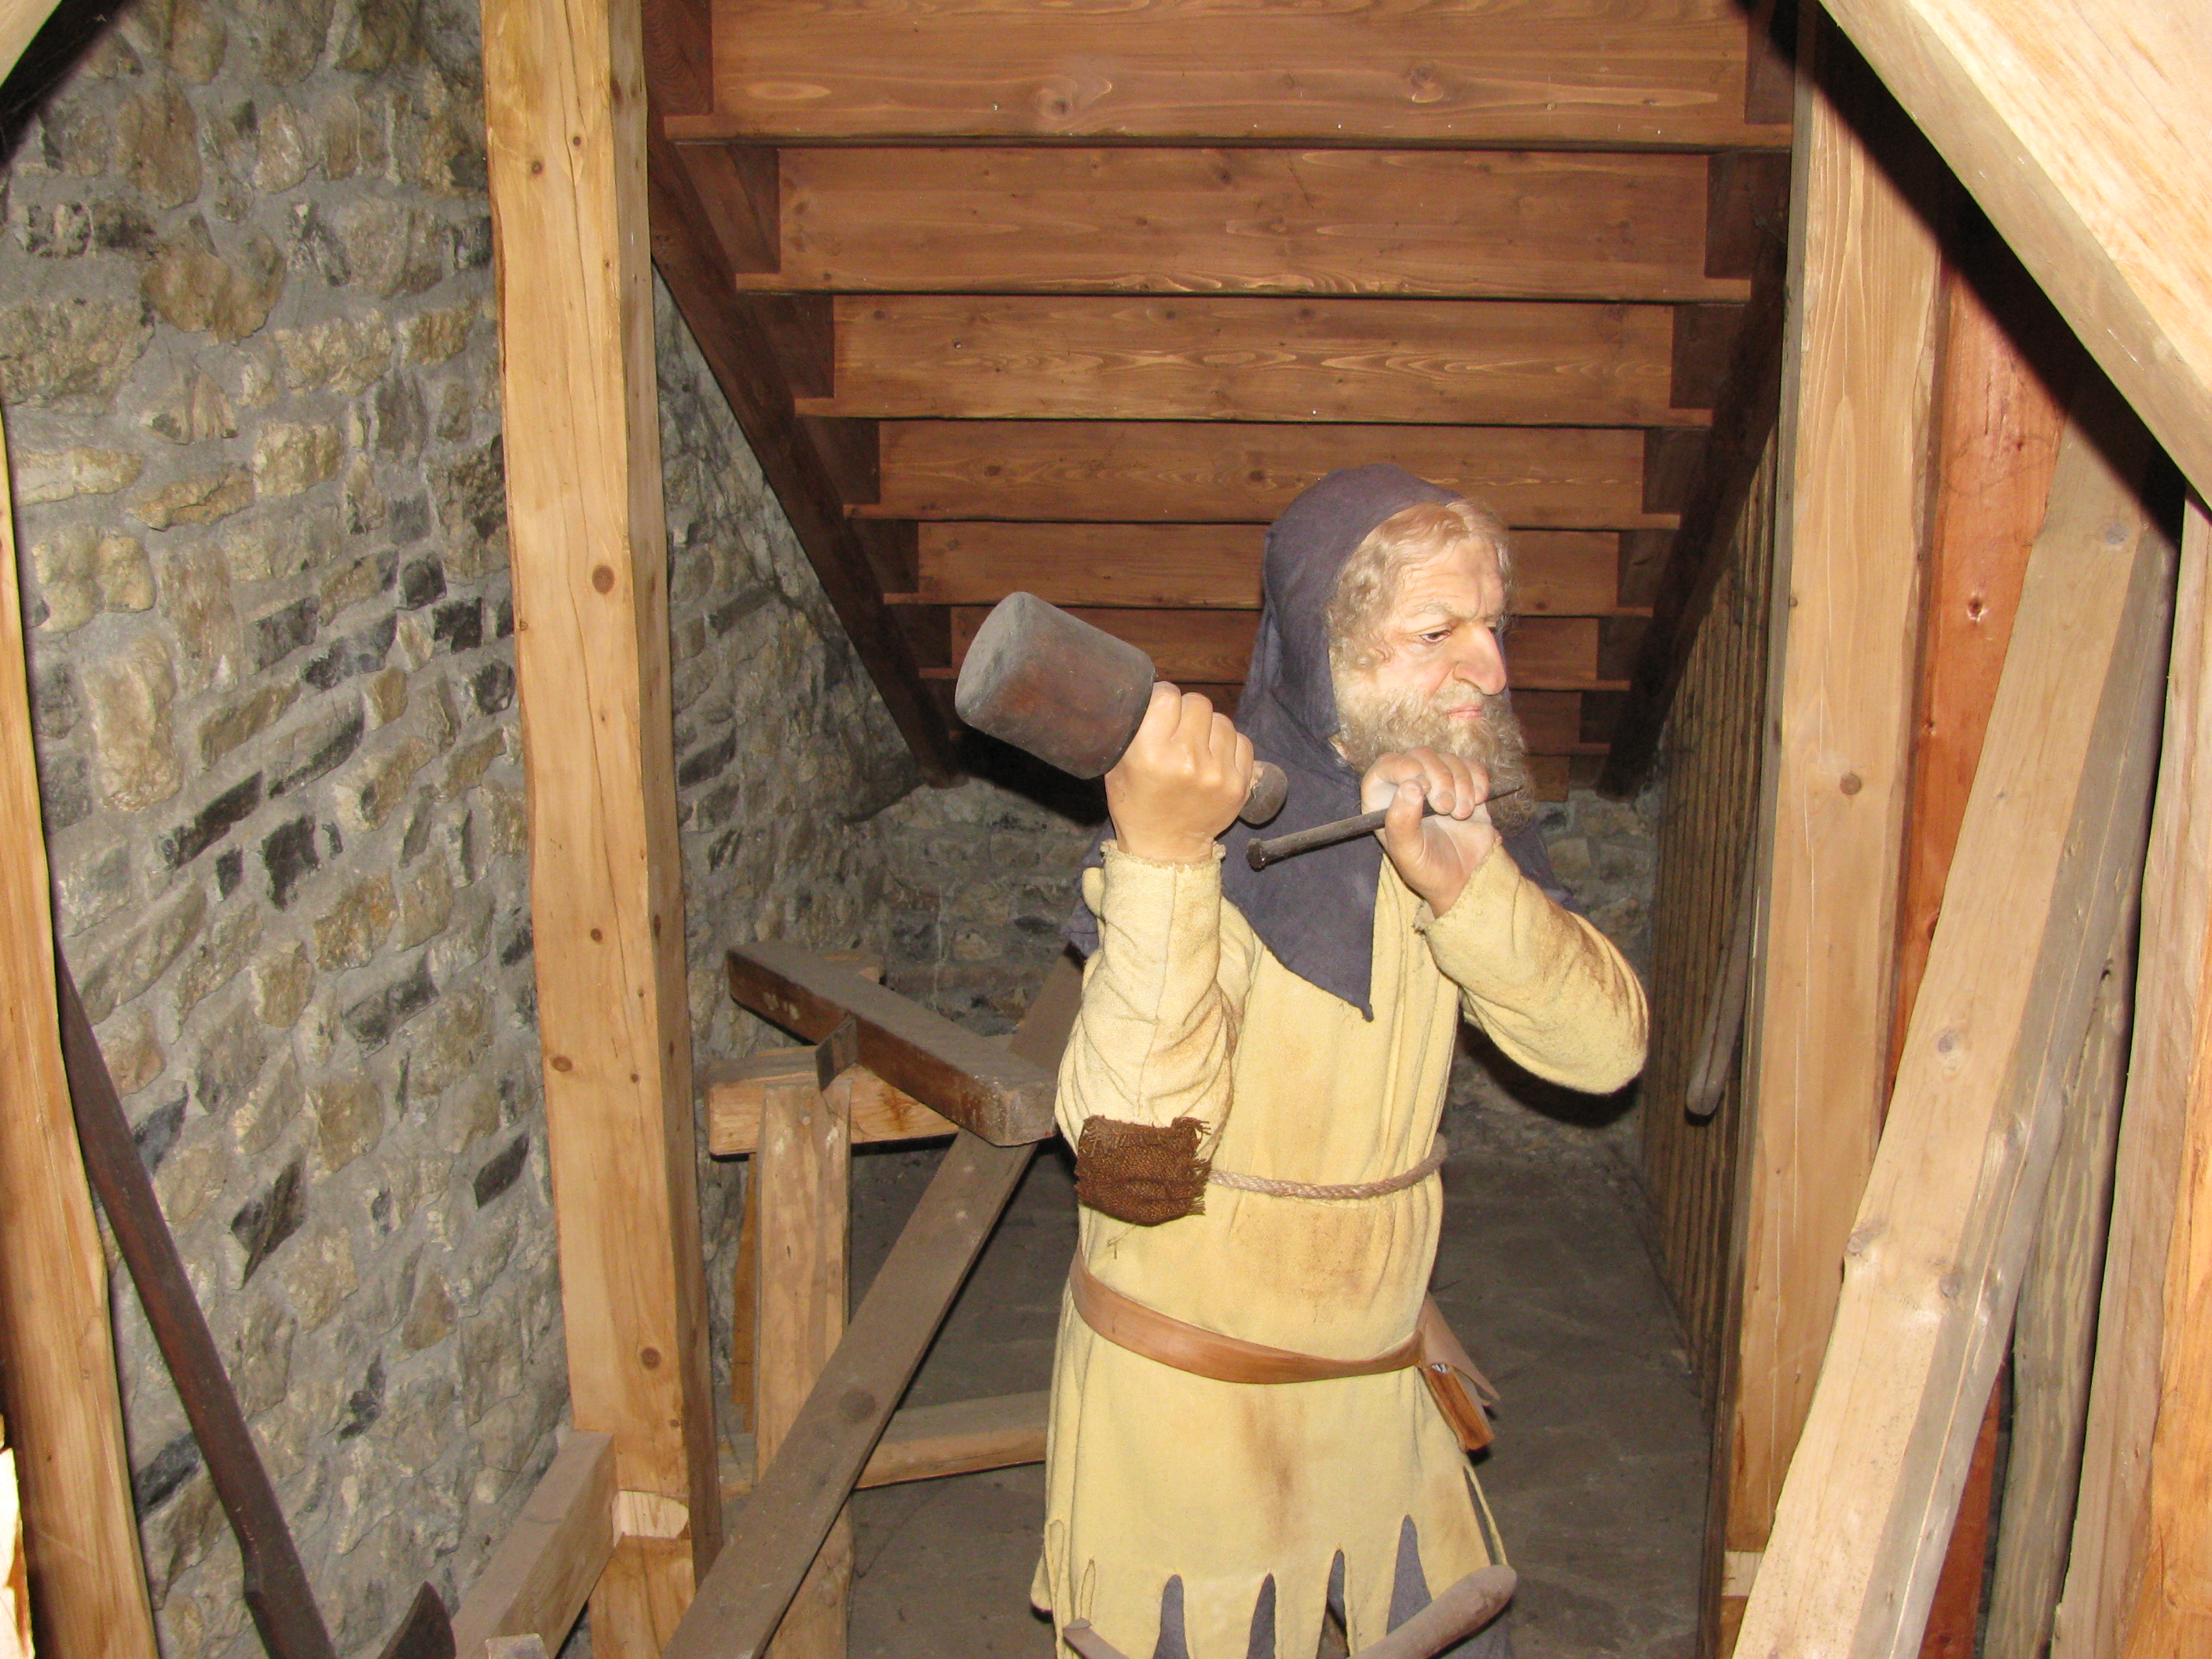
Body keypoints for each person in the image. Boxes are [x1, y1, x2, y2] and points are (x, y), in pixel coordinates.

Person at [1031, 465, 1650, 1659]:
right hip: (1192, 1411)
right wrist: (1164, 860)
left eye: (1493, 626)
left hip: (1379, 1381)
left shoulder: (1444, 817)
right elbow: (1134, 1167)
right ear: (1328, 648)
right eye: (1437, 632)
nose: (1491, 669)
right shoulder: (1206, 852)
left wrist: (1471, 884)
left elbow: (1604, 1055)